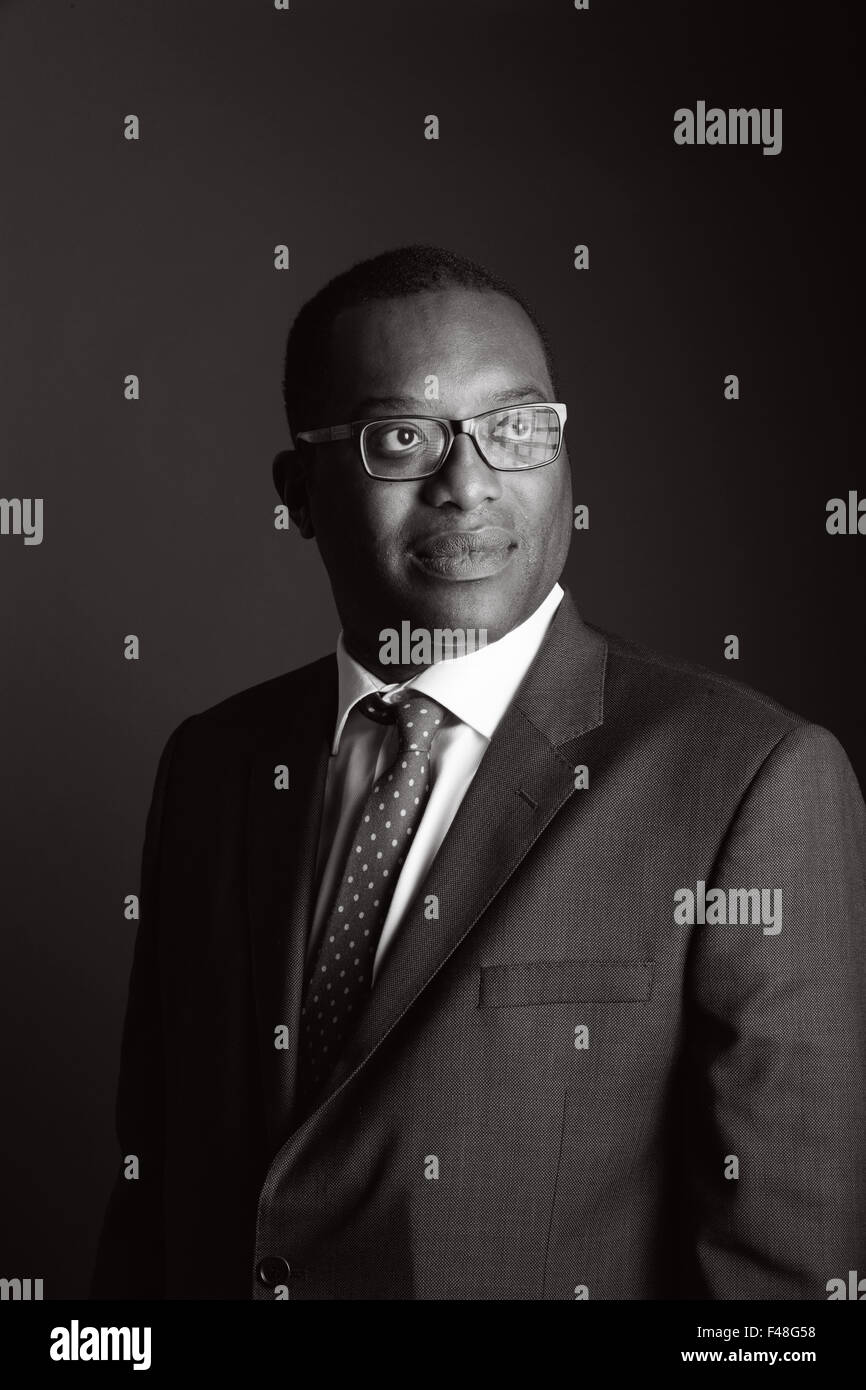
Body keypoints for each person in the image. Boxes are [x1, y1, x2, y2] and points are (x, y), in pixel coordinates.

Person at [91, 244, 866, 1300]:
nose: (466, 484)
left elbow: (782, 1289)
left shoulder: (747, 780)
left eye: (513, 429)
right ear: (298, 493)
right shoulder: (215, 767)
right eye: (402, 438)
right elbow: (153, 1209)